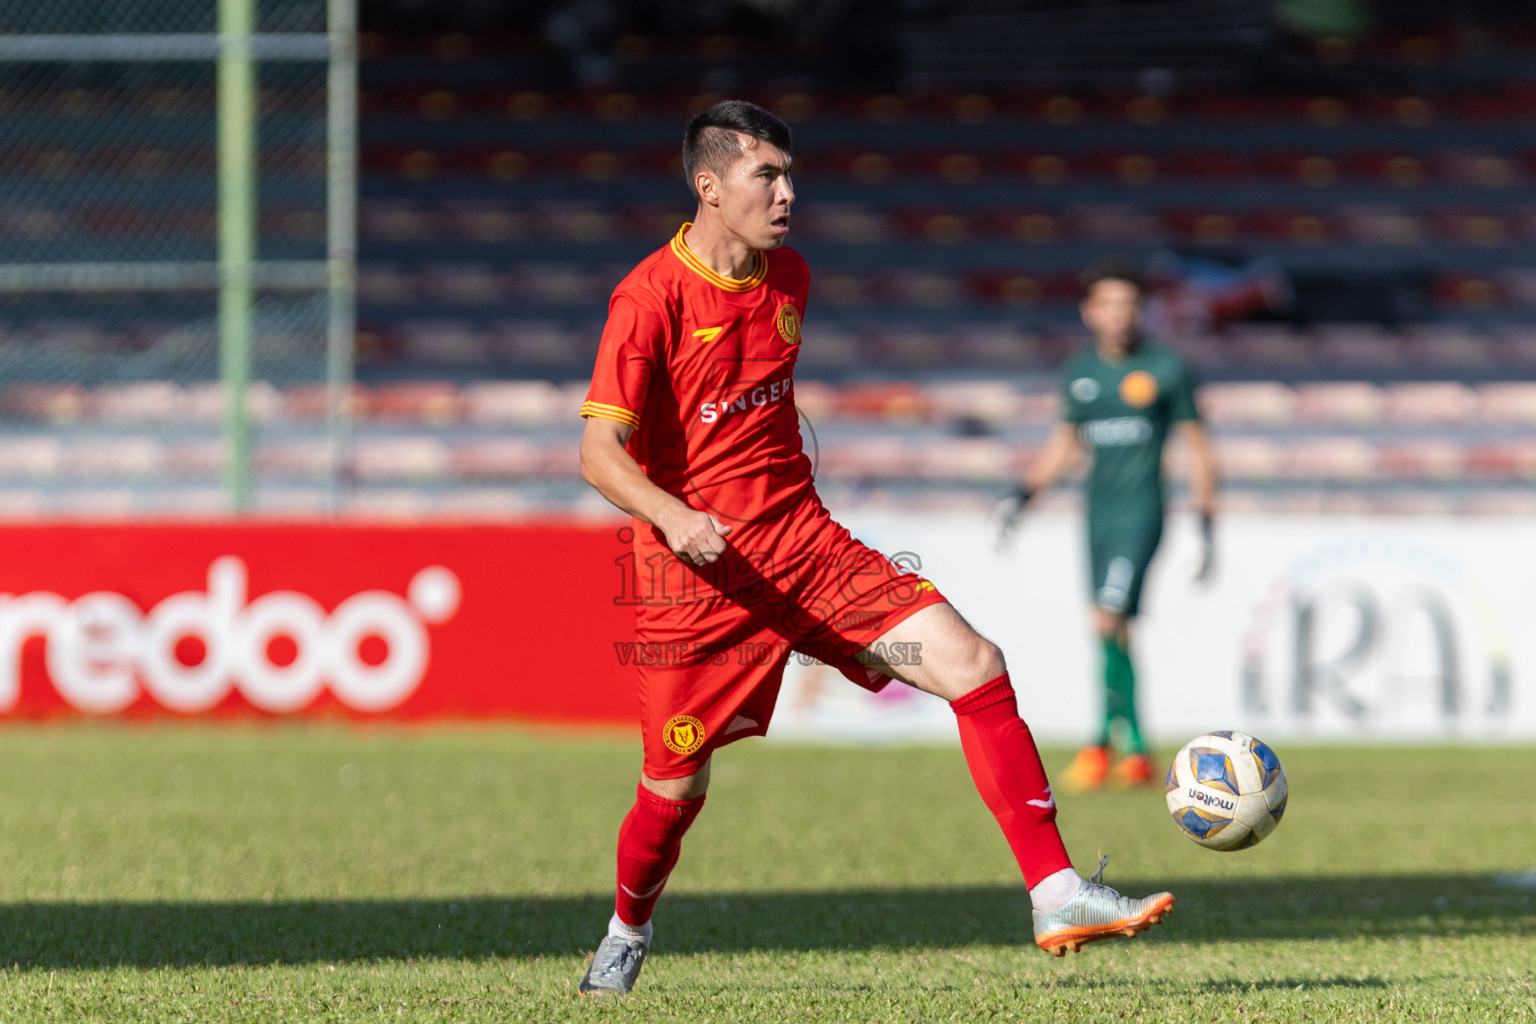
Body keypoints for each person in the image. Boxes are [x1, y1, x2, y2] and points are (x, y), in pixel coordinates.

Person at [576, 101, 1173, 997]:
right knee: (674, 790)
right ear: (709, 186)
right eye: (765, 176)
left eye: (789, 174)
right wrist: (675, 515)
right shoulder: (648, 297)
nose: (787, 192)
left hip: (811, 554)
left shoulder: (791, 280)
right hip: (699, 582)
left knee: (972, 662)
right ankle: (627, 931)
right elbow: (596, 453)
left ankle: (1055, 892)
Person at [996, 267, 1219, 791]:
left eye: (1127, 304)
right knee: (1111, 626)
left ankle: (1107, 743)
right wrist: (1021, 496)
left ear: (1141, 312)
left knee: (1108, 618)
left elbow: (1198, 447)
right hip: (1097, 515)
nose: (1118, 314)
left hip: (1142, 514)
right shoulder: (1081, 371)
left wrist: (1205, 523)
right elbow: (1064, 444)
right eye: (1107, 304)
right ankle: (1133, 746)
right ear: (1088, 312)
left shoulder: (1166, 368)